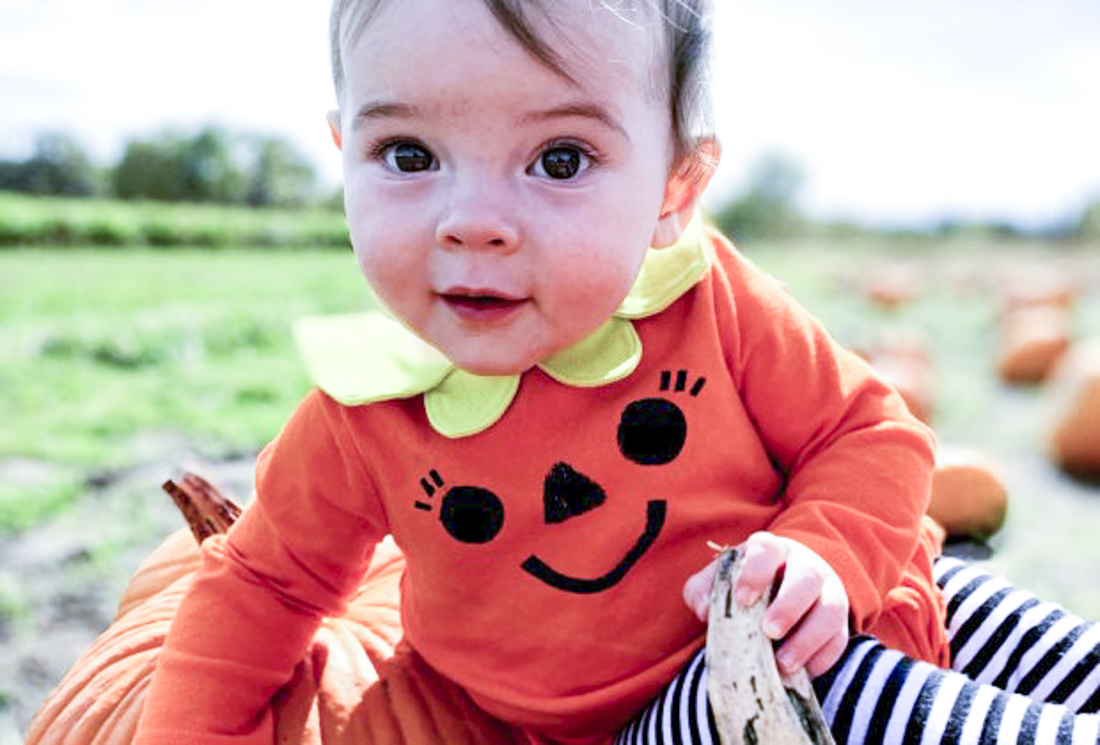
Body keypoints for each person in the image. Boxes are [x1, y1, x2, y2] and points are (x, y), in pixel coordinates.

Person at [134, 1, 1100, 743]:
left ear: (673, 190)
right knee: (832, 687)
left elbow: (869, 431)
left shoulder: (707, 300)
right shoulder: (364, 413)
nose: (473, 219)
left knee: (1051, 649)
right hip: (685, 709)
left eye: (559, 159)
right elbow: (261, 585)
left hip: (879, 579)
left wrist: (829, 552)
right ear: (345, 157)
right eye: (409, 153)